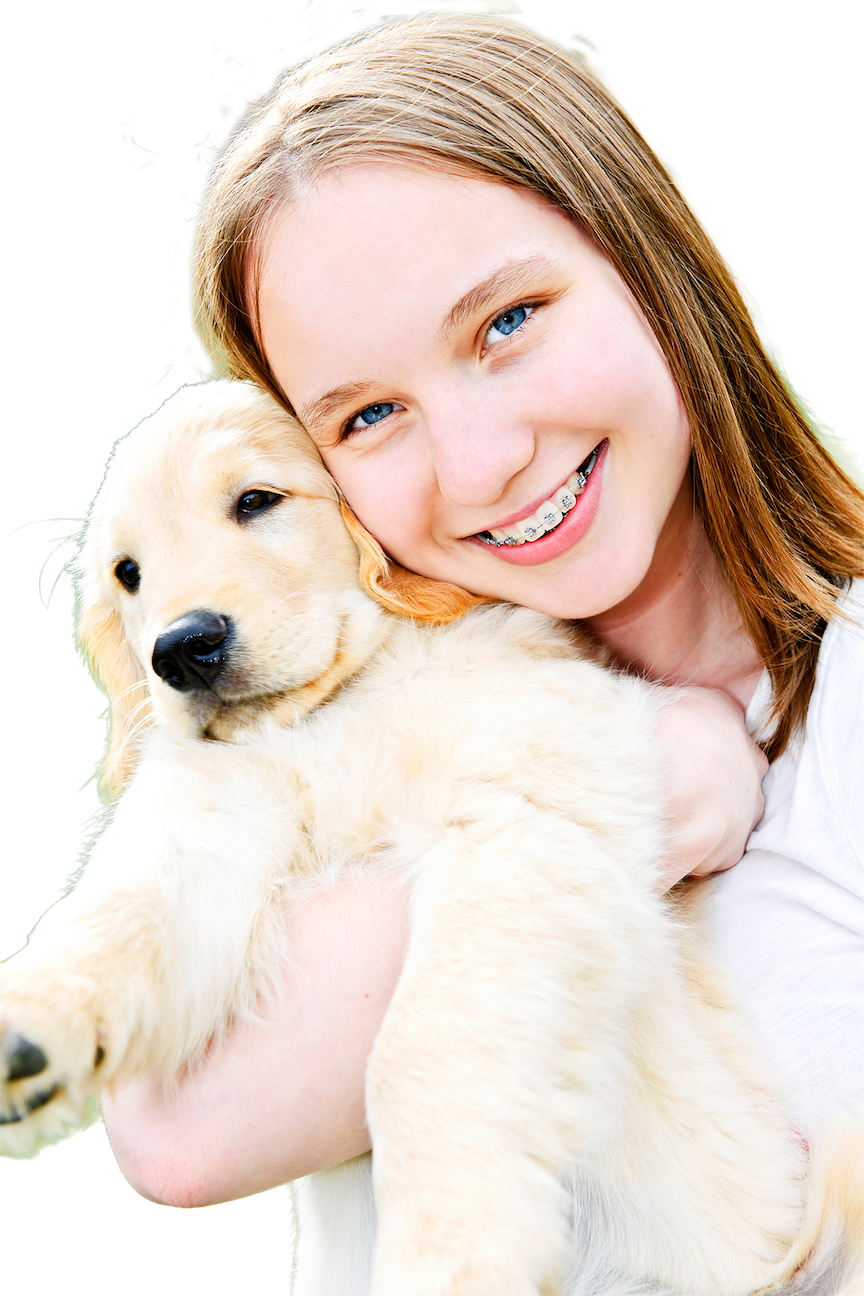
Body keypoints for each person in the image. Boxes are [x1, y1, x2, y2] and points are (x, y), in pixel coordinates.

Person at [100, 8, 864, 1210]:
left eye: (507, 324)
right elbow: (172, 1130)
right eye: (367, 416)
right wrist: (625, 789)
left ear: (652, 261)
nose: (478, 466)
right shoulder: (331, 745)